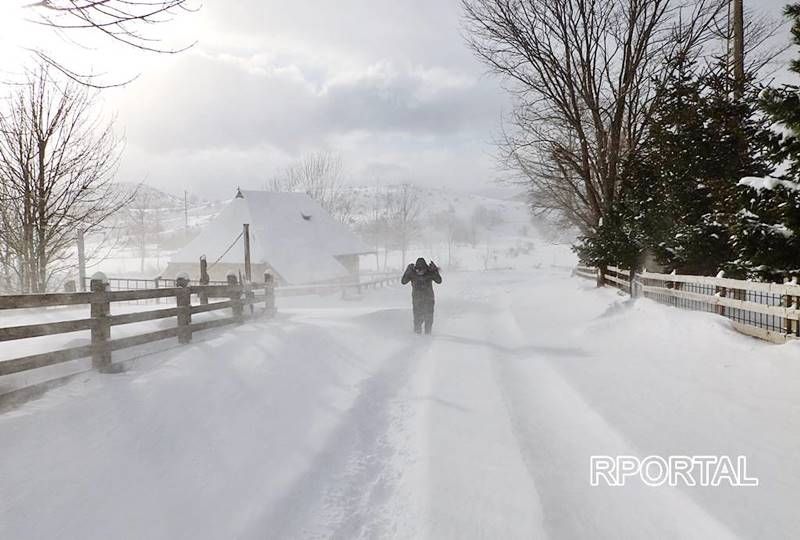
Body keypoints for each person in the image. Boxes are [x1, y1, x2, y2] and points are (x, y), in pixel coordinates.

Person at [401, 257, 442, 334]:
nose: (420, 272)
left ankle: (428, 336)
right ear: (415, 268)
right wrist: (407, 271)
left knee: (429, 320)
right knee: (417, 321)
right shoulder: (412, 273)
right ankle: (417, 338)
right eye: (418, 270)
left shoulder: (430, 273)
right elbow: (403, 281)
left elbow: (439, 281)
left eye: (422, 269)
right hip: (417, 301)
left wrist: (435, 270)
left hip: (429, 300)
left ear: (425, 268)